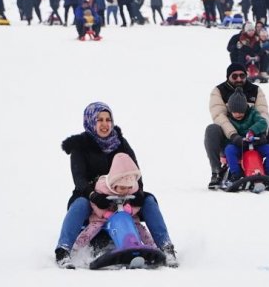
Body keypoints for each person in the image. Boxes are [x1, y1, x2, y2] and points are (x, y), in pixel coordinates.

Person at [55, 102, 177, 269]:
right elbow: (79, 178)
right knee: (80, 204)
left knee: (149, 201)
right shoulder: (80, 145)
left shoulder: (120, 142)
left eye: (108, 119)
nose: (105, 124)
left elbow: (134, 170)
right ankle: (63, 250)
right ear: (91, 121)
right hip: (92, 197)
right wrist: (93, 195)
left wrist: (137, 191)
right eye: (100, 120)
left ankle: (166, 247)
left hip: (123, 195)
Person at [204, 63, 269, 189]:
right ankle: (217, 172)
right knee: (211, 130)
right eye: (234, 76)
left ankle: (268, 171)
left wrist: (261, 133)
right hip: (230, 140)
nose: (239, 79)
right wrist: (234, 135)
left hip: (254, 138)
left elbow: (263, 113)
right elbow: (219, 117)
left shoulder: (255, 90)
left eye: (242, 76)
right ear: (228, 77)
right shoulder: (218, 91)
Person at [72, 153, 153, 249]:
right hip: (103, 217)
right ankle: (78, 247)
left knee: (139, 228)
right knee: (92, 229)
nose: (126, 190)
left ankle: (151, 246)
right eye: (123, 188)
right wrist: (105, 213)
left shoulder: (133, 187)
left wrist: (130, 210)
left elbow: (138, 202)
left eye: (129, 188)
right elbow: (94, 202)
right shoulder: (102, 187)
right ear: (114, 185)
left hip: (127, 216)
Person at [221, 89, 269, 188]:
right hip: (239, 146)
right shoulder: (228, 119)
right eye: (235, 112)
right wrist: (236, 139)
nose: (238, 115)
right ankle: (236, 175)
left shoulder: (253, 113)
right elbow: (226, 132)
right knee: (229, 150)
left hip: (255, 145)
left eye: (241, 112)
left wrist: (253, 131)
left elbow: (263, 122)